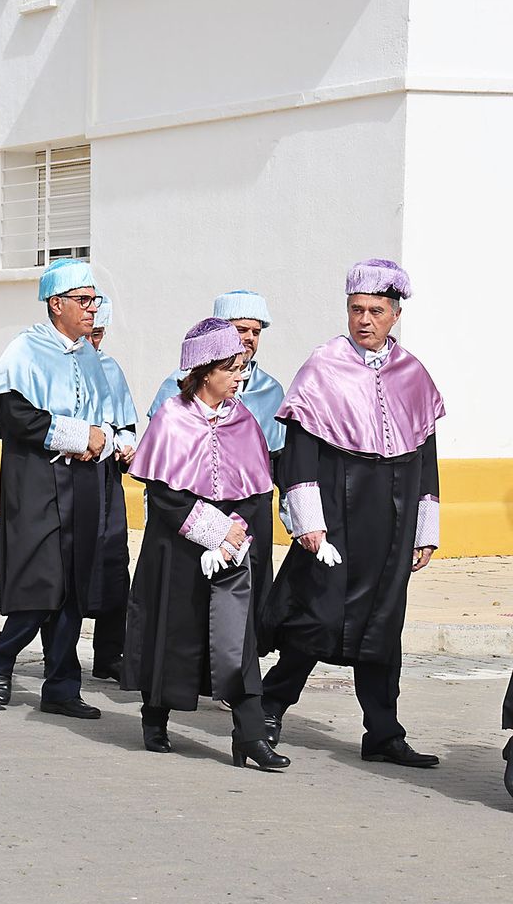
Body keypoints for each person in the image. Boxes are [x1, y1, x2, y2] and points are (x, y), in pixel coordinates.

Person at [259, 258, 445, 768]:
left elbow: (425, 453)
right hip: (337, 515)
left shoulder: (413, 373)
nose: (364, 320)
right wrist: (308, 521)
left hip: (393, 519)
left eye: (376, 311)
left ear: (395, 315)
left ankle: (383, 732)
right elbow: (298, 453)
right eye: (356, 310)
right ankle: (270, 707)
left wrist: (424, 528)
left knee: (383, 624)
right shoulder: (323, 366)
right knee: (319, 616)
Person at [123, 319, 289, 770]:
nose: (240, 376)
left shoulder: (245, 421)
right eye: (233, 368)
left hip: (232, 551)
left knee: (236, 640)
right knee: (171, 630)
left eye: (242, 368)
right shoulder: (172, 419)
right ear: (205, 370)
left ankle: (250, 736)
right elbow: (162, 494)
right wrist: (212, 532)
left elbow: (256, 492)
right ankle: (155, 718)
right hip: (177, 550)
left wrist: (234, 538)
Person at [0, 258, 120, 718]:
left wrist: (99, 442)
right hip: (38, 480)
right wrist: (75, 436)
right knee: (42, 583)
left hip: (82, 480)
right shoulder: (25, 349)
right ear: (56, 304)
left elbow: (104, 417)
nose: (91, 310)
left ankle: (61, 686)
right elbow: (8, 412)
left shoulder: (90, 357)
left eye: (94, 301)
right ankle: (2, 654)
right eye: (83, 301)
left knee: (74, 588)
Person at [149, 290, 285, 613]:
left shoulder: (271, 390)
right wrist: (213, 529)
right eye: (241, 330)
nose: (249, 339)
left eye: (256, 331)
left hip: (247, 520)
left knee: (242, 614)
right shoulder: (175, 395)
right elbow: (162, 475)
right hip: (188, 522)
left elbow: (278, 464)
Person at [85, 298, 139, 681]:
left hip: (107, 477)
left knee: (114, 563)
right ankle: (60, 656)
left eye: (99, 334)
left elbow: (126, 423)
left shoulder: (110, 368)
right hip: (72, 474)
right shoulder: (54, 366)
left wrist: (126, 443)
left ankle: (109, 652)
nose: (93, 341)